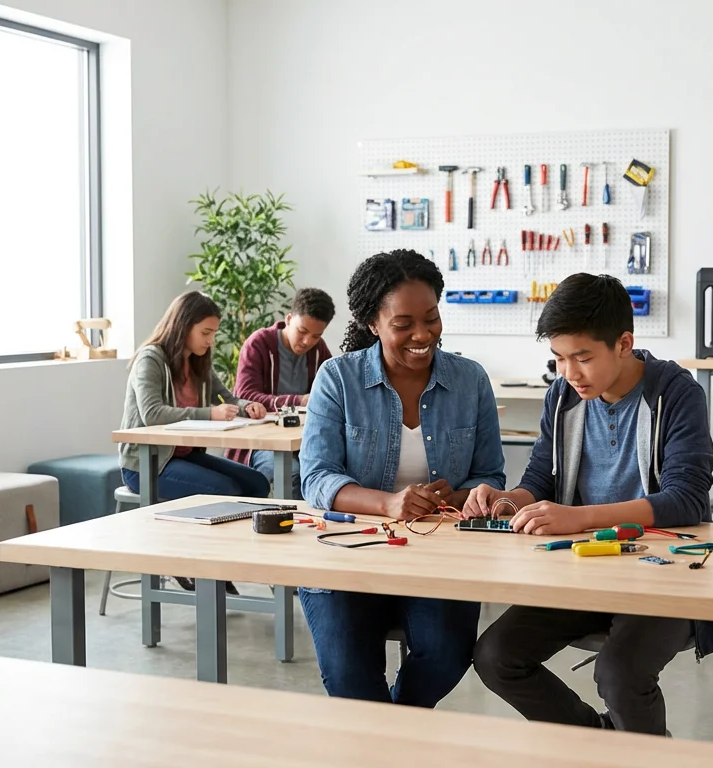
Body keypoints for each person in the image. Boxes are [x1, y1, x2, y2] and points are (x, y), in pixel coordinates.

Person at [462, 273, 713, 736]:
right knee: (495, 655)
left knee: (620, 672)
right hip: (583, 568)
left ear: (624, 343)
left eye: (582, 357)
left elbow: (685, 500)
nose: (569, 372)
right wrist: (505, 501)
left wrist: (576, 517)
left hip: (663, 576)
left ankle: (641, 755)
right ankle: (603, 744)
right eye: (559, 358)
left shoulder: (677, 394)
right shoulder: (562, 396)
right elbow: (540, 480)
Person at [300, 249, 506, 707]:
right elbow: (316, 478)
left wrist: (463, 495)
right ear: (373, 323)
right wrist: (389, 503)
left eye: (431, 318)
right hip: (347, 554)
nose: (422, 334)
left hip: (439, 553)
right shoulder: (337, 378)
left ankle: (395, 730)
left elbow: (490, 472)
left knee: (446, 655)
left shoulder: (470, 380)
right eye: (403, 324)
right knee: (349, 675)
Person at [119, 291, 271, 590]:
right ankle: (201, 565)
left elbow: (227, 398)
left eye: (213, 333)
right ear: (183, 326)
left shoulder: (198, 362)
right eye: (205, 332)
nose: (210, 340)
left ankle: (224, 562)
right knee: (223, 490)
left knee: (257, 484)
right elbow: (152, 413)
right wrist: (209, 413)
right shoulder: (150, 359)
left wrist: (245, 407)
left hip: (182, 456)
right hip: (147, 465)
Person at [230, 287, 336, 495]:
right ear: (288, 319)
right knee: (292, 474)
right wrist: (299, 401)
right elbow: (244, 395)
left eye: (316, 336)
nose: (307, 341)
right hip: (261, 442)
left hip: (304, 440)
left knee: (332, 473)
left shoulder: (319, 350)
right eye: (302, 331)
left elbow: (331, 392)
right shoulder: (259, 344)